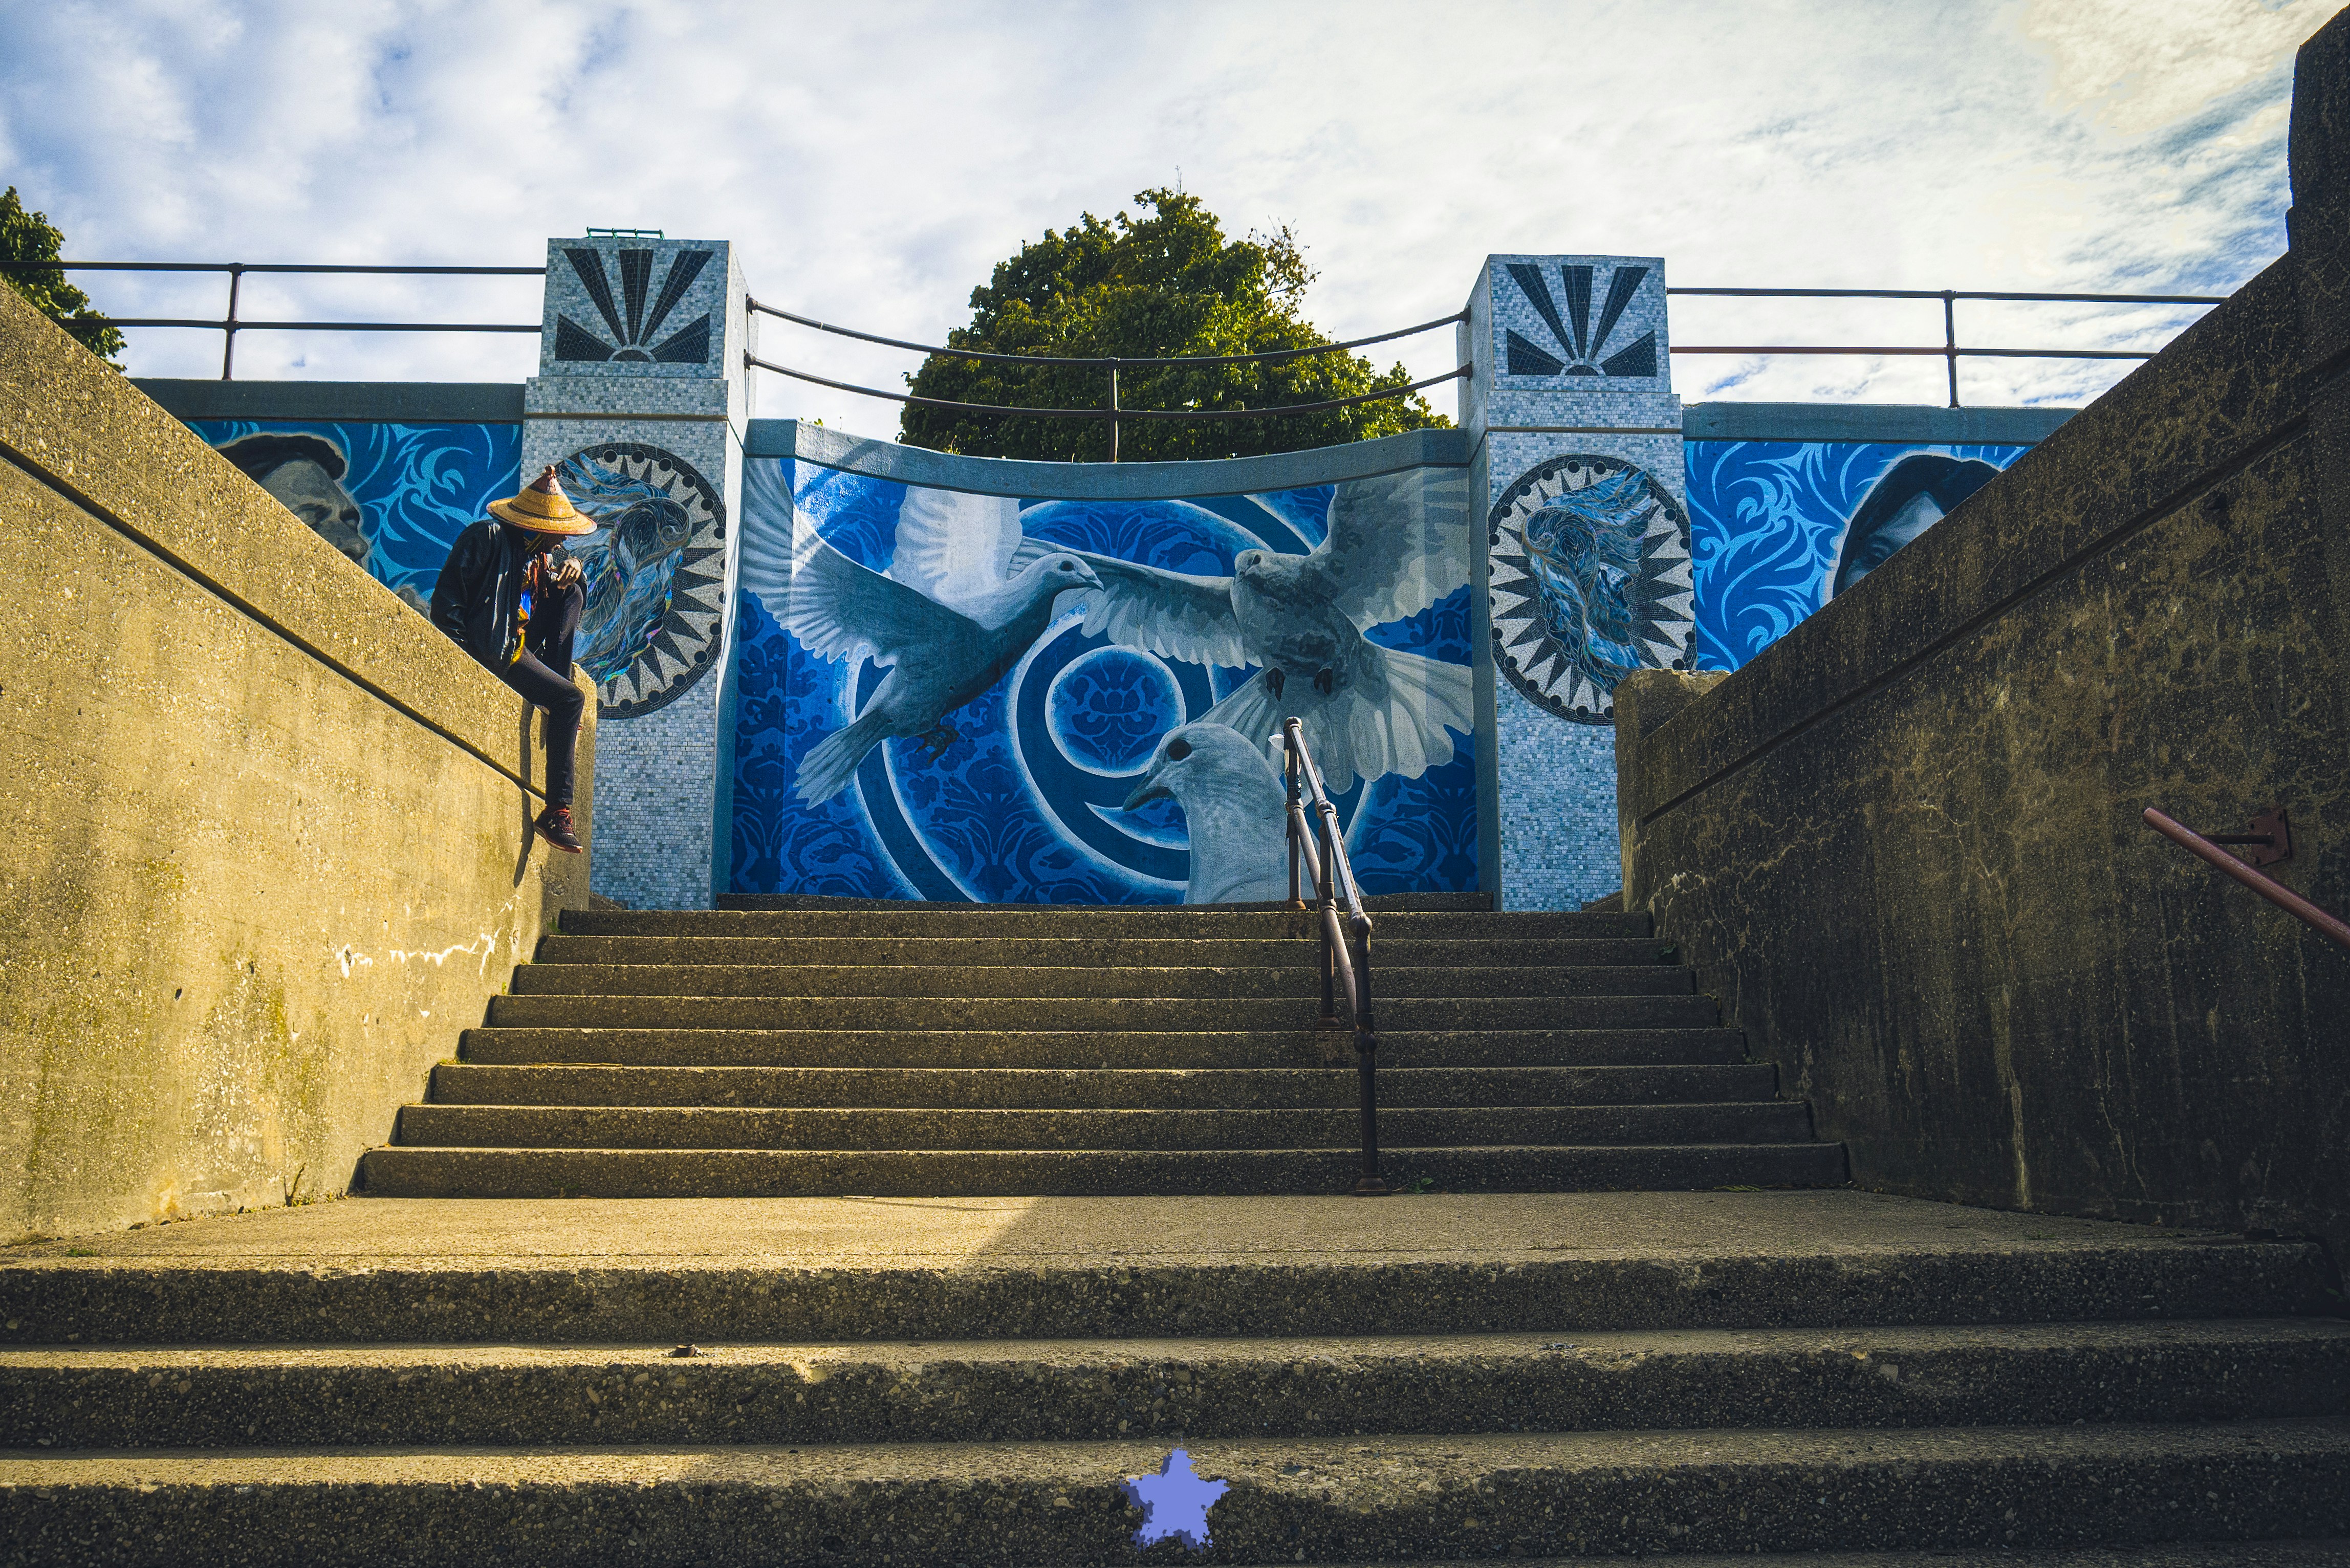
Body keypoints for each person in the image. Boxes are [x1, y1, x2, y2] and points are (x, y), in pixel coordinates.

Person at [430, 465, 595, 853]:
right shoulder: (486, 538)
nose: (560, 544)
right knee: (572, 699)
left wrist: (577, 573)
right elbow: (447, 603)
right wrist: (465, 660)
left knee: (571, 593)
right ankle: (557, 811)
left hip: (518, 646)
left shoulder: (536, 560)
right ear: (536, 528)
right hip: (496, 648)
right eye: (557, 537)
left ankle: (556, 693)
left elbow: (552, 603)